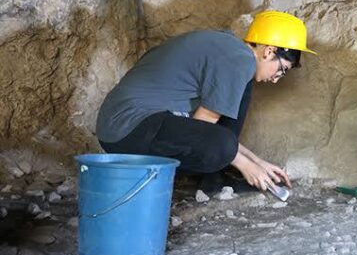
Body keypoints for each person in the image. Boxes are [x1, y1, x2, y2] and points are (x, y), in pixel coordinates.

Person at [96, 10, 316, 192]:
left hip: (125, 127)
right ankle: (215, 178)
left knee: (225, 138)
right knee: (219, 146)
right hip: (128, 128)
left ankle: (215, 178)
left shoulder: (228, 49)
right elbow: (203, 130)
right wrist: (246, 166)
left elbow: (205, 132)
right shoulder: (238, 60)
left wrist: (259, 163)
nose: (277, 79)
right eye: (282, 70)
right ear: (269, 51)